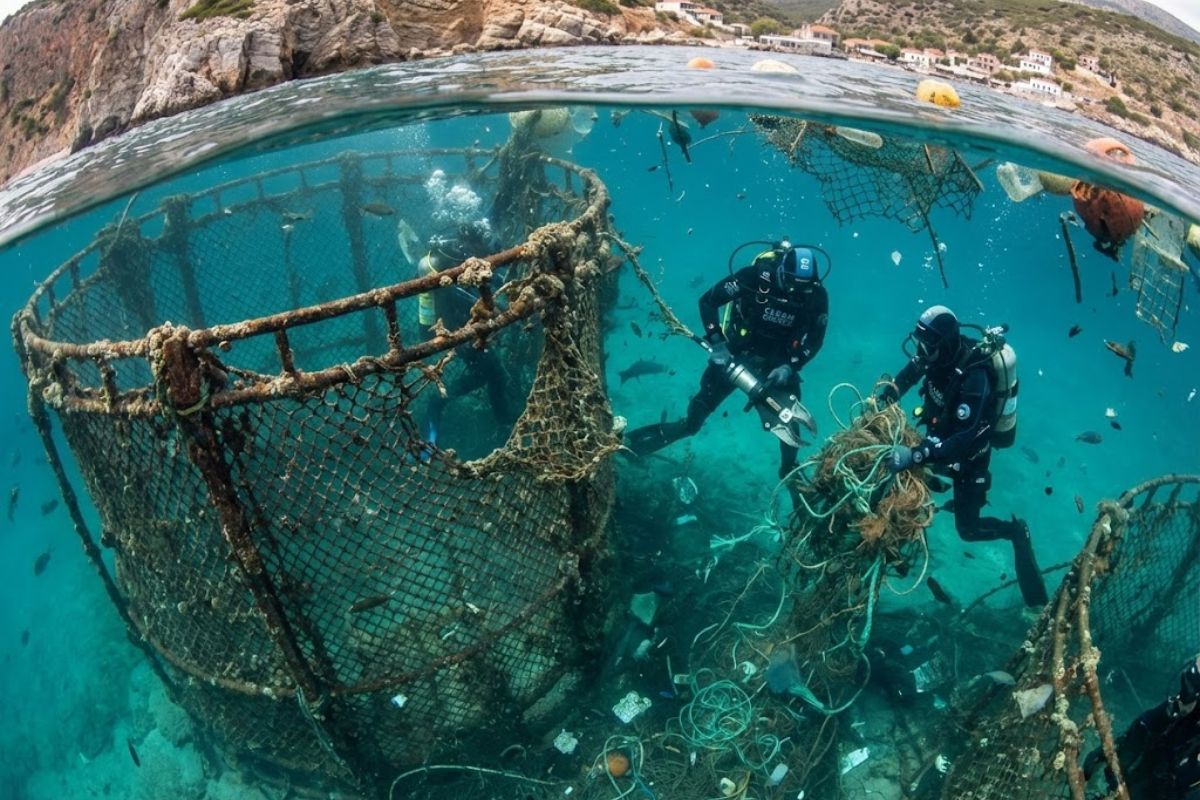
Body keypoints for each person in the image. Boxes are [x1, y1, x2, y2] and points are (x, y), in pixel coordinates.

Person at [878, 305, 1048, 607]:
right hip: (935, 441)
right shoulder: (933, 354)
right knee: (891, 480)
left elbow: (964, 437)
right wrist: (887, 395)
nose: (921, 351)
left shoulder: (975, 376)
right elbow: (909, 374)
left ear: (942, 345)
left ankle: (1015, 531)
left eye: (927, 344)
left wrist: (916, 456)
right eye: (920, 343)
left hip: (967, 456)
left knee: (968, 530)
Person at [625, 240, 828, 480]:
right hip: (736, 354)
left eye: (803, 287)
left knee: (790, 424)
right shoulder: (756, 277)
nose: (795, 291)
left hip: (779, 363)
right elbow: (708, 301)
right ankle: (630, 445)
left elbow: (815, 339)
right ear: (782, 271)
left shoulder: (816, 295)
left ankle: (788, 473)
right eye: (792, 283)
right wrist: (718, 343)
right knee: (692, 423)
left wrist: (791, 366)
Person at [416, 220, 515, 453]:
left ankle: (504, 423)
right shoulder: (450, 263)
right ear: (473, 243)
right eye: (485, 246)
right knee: (492, 372)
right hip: (453, 328)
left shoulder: (464, 256)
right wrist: (495, 307)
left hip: (465, 323)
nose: (489, 252)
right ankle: (437, 404)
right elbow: (455, 293)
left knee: (493, 373)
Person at [1085, 655, 1200, 799]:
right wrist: (1114, 752)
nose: (1186, 698)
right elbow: (1145, 725)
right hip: (1146, 778)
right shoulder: (1182, 709)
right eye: (1187, 686)